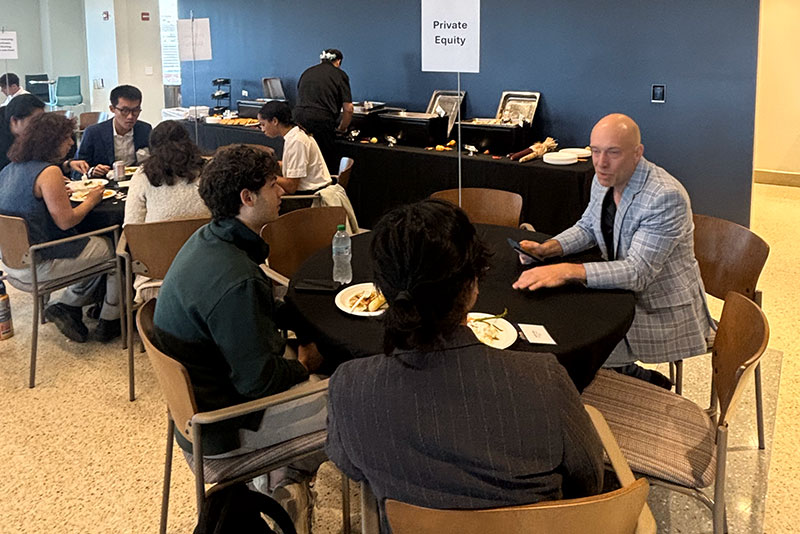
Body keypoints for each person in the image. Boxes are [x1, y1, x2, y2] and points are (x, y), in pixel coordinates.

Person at [326, 199, 604, 534]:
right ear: (472, 287)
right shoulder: (545, 380)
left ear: (382, 289)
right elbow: (589, 479)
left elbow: (350, 465)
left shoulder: (350, 387)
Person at [152, 144, 327, 534]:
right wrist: (305, 364)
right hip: (222, 432)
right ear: (247, 198)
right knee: (348, 402)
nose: (282, 190)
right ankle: (288, 480)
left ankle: (282, 480)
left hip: (193, 412)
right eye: (272, 185)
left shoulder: (208, 239)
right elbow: (258, 381)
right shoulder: (237, 279)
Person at [512, 113, 713, 388]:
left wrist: (567, 270)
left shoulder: (665, 197)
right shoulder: (604, 178)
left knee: (571, 341)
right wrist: (550, 249)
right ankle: (622, 371)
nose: (601, 162)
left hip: (657, 308)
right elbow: (588, 227)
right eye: (595, 151)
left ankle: (620, 378)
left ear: (637, 153)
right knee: (562, 314)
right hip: (621, 294)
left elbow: (637, 273)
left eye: (613, 152)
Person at [0, 112, 121, 342]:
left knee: (91, 248)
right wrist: (92, 199)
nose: (71, 143)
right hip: (39, 263)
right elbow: (66, 221)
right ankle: (110, 319)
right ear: (51, 141)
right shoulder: (49, 172)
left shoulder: (9, 169)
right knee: (115, 248)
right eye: (66, 138)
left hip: (12, 262)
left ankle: (69, 306)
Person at [123, 120, 210, 302]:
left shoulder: (142, 175)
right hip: (207, 266)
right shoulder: (208, 171)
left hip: (157, 273)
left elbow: (132, 227)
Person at [258, 101, 359, 229]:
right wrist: (275, 165)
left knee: (263, 207)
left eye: (263, 124)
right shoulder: (295, 134)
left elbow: (291, 186)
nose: (262, 129)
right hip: (310, 192)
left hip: (310, 198)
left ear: (274, 121)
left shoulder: (297, 141)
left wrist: (268, 175)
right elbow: (297, 165)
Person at [293, 49, 353, 174]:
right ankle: (324, 190)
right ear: (338, 61)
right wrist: (342, 128)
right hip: (321, 121)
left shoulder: (307, 72)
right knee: (324, 161)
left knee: (302, 157)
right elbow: (348, 109)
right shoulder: (340, 74)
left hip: (298, 118)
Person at [74, 84, 151, 178]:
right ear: (112, 109)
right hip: (106, 185)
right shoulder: (94, 133)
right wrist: (92, 171)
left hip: (137, 180)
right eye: (124, 111)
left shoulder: (145, 130)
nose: (130, 116)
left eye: (135, 110)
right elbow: (76, 169)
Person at [0, 94, 89, 175]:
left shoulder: (37, 137)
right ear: (15, 121)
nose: (41, 126)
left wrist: (67, 165)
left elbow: (40, 164)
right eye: (35, 121)